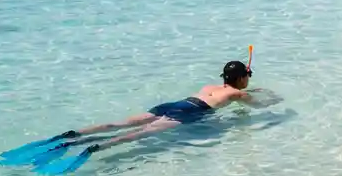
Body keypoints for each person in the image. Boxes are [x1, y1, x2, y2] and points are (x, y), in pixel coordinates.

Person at [61, 60, 258, 153]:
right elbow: (260, 105)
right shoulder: (238, 93)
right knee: (141, 133)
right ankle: (97, 147)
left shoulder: (210, 86)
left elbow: (225, 92)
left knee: (120, 123)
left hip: (175, 104)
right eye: (247, 76)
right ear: (242, 78)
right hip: (191, 111)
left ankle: (72, 135)